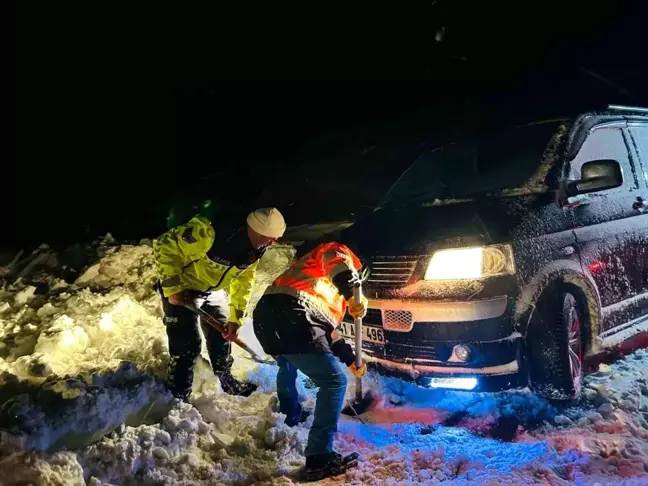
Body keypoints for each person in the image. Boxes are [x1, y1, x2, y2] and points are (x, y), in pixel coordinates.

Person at [253, 241, 368, 480]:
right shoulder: (341, 255)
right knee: (334, 382)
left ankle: (289, 413)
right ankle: (319, 457)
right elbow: (338, 259)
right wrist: (352, 291)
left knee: (288, 361)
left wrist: (350, 359)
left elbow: (328, 333)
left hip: (268, 316)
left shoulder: (316, 282)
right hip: (294, 314)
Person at [153, 207, 286, 400]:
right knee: (186, 343)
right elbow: (163, 245)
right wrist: (173, 287)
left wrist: (236, 318)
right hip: (183, 286)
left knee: (222, 335)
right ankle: (179, 394)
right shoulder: (210, 233)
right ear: (255, 230)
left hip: (212, 291)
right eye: (270, 237)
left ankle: (225, 379)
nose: (273, 243)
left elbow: (244, 280)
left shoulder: (256, 249)